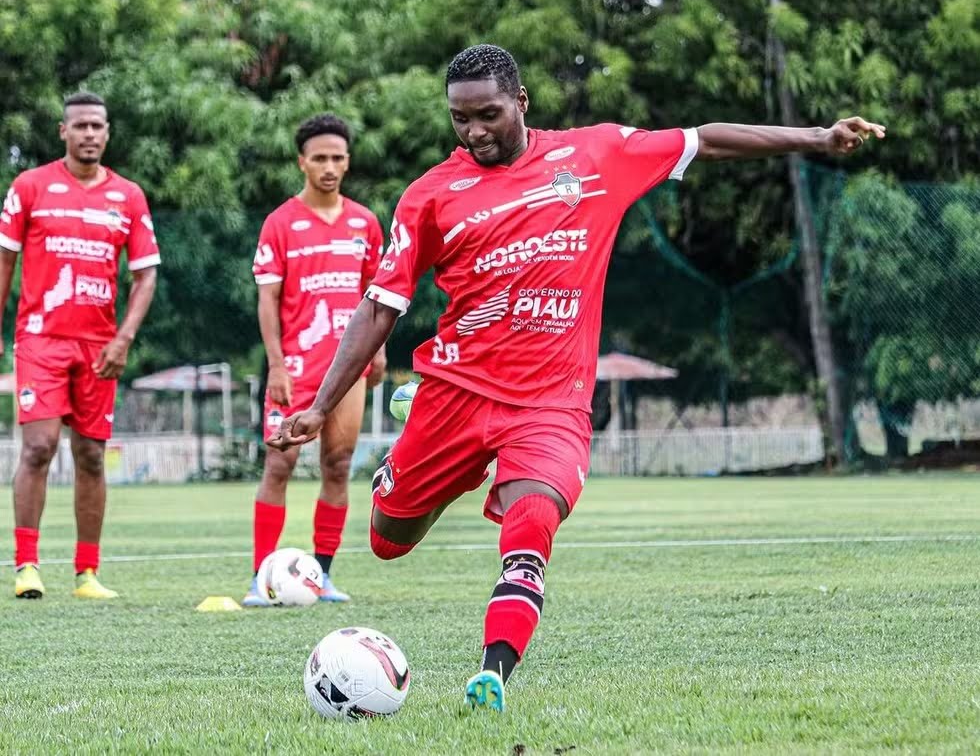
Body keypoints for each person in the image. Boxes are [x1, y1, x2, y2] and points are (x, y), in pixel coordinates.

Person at [268, 44, 884, 708]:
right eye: (460, 118)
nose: (475, 131)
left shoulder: (596, 155)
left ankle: (492, 675)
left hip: (549, 405)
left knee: (531, 527)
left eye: (489, 114)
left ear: (522, 103)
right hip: (454, 395)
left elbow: (703, 140)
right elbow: (378, 307)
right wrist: (319, 404)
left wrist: (818, 136)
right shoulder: (430, 196)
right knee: (388, 540)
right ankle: (453, 458)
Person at [0, 92, 160, 600]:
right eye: (81, 126)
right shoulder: (30, 186)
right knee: (39, 446)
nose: (90, 134)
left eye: (98, 126)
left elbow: (145, 276)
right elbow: (5, 262)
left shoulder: (129, 196)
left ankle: (87, 573)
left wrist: (124, 338)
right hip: (40, 339)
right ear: (62, 131)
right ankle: (27, 564)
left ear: (108, 133)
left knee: (91, 454)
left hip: (99, 347)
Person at [245, 113, 386, 606]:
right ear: (302, 161)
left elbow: (377, 294)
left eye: (338, 158)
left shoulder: (364, 222)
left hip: (348, 370)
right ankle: (260, 579)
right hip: (297, 366)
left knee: (339, 463)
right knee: (280, 463)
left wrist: (379, 348)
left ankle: (321, 576)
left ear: (348, 162)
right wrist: (276, 364)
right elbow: (267, 300)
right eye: (320, 158)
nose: (329, 166)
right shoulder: (280, 222)